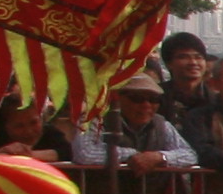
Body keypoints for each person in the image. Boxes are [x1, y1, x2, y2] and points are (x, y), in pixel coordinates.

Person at [67, 72, 198, 172]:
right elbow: (85, 154)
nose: (146, 105)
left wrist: (160, 157)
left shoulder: (162, 124)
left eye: (153, 99)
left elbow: (190, 155)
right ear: (118, 98)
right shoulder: (94, 119)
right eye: (137, 98)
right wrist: (133, 155)